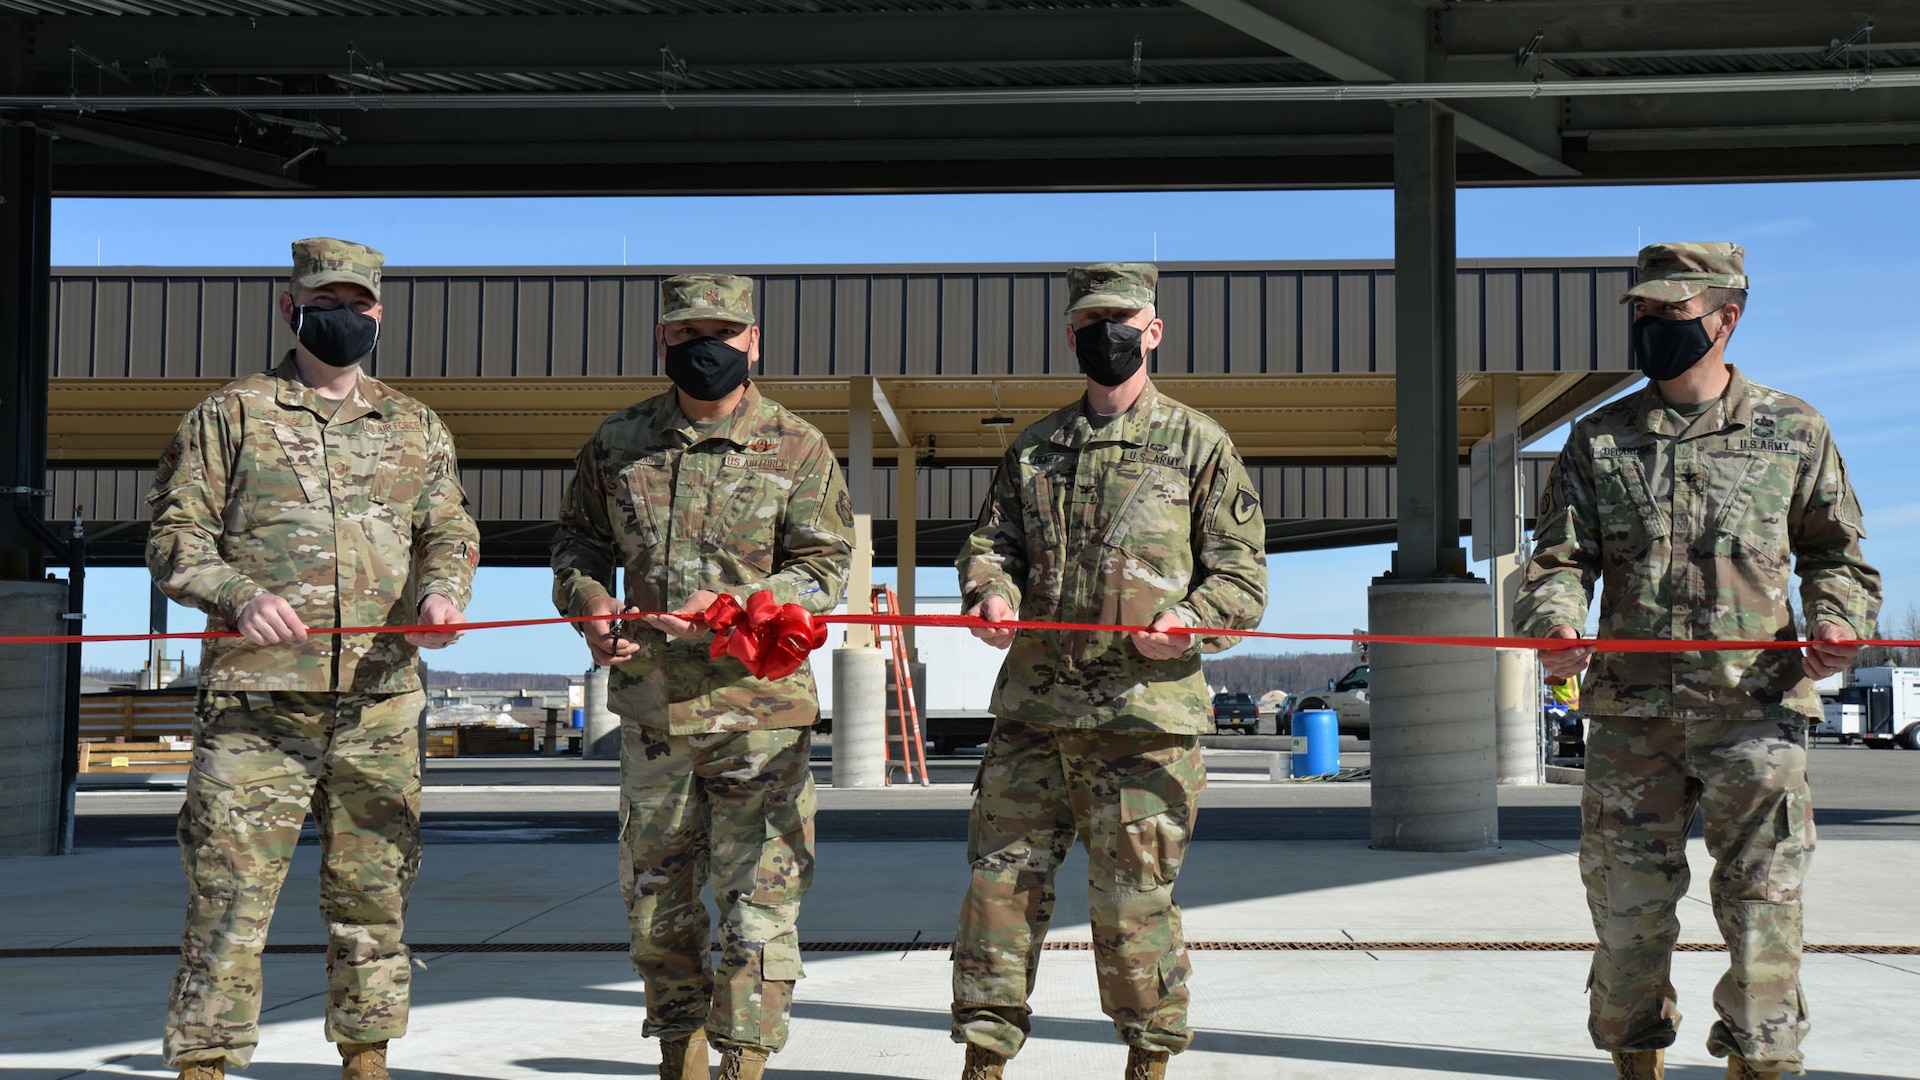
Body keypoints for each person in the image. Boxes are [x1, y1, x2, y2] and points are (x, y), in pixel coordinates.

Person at [1516, 242, 1880, 1080]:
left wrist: (1836, 622)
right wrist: (1557, 625)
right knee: (1627, 911)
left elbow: (1837, 555)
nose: (1650, 327)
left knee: (1763, 909)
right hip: (1631, 722)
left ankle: (1760, 1065)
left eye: (1669, 314)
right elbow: (1561, 559)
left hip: (1755, 712)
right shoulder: (1599, 438)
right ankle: (1633, 1060)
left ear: (1727, 317)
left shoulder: (1794, 429)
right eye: (1642, 313)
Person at [148, 237, 479, 1080]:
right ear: (289, 308)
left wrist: (443, 594)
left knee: (373, 899)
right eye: (325, 302)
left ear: (379, 313)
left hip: (379, 701)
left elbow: (449, 528)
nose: (344, 317)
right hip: (257, 707)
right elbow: (174, 537)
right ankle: (206, 1063)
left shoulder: (415, 425)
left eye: (358, 304)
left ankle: (367, 1057)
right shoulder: (231, 415)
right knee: (228, 899)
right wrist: (236, 595)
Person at [950, 262, 1269, 1080]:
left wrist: (1192, 623)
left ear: (1154, 330)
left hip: (1142, 720)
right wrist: (991, 595)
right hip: (1034, 715)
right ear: (1071, 336)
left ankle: (1148, 1059)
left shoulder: (1199, 446)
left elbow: (1241, 578)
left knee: (1132, 909)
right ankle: (984, 1058)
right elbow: (993, 546)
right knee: (998, 897)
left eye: (1124, 319)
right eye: (1092, 321)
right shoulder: (1035, 449)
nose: (1108, 334)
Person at [550, 273, 854, 1080]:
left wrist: (740, 603)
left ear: (754, 340)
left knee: (760, 902)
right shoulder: (619, 444)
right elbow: (577, 544)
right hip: (654, 719)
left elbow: (826, 569)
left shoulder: (797, 446)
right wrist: (589, 604)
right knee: (658, 906)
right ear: (663, 342)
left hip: (760, 715)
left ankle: (746, 1059)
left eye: (722, 333)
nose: (705, 348)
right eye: (687, 335)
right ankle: (678, 1052)